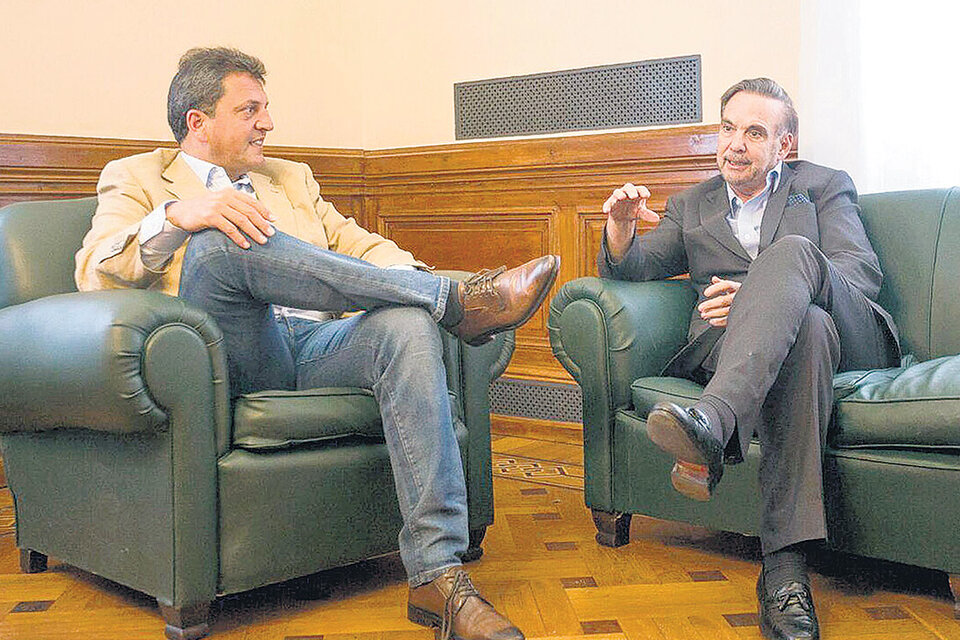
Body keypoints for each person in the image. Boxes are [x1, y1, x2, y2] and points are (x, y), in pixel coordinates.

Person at [76, 46, 559, 640]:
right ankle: (457, 305)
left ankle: (438, 576)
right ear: (198, 123)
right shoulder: (137, 177)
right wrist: (181, 215)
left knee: (407, 325)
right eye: (250, 110)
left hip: (312, 345)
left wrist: (418, 282)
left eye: (266, 108)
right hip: (224, 356)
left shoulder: (290, 177)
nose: (268, 124)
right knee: (220, 240)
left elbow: (361, 246)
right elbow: (95, 270)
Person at [598, 78, 899, 640]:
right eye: (728, 128)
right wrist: (619, 228)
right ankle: (784, 575)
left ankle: (711, 423)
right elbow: (635, 267)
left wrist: (765, 292)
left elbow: (859, 276)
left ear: (784, 146)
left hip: (851, 331)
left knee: (793, 264)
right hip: (766, 344)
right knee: (802, 330)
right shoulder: (691, 204)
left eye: (755, 132)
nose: (735, 144)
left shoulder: (825, 187)